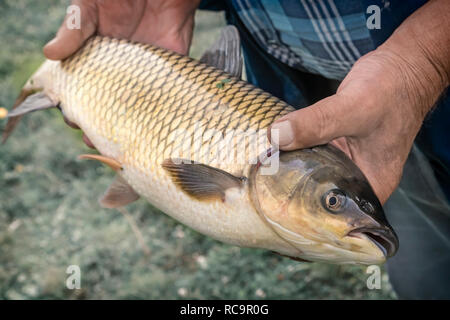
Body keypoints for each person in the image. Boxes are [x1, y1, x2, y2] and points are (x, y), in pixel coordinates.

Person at [43, 0, 450, 299]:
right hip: (284, 75)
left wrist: (425, 64)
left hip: (427, 87)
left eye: (332, 201)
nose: (337, 206)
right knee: (422, 269)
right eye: (332, 201)